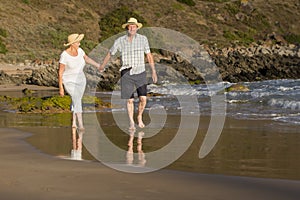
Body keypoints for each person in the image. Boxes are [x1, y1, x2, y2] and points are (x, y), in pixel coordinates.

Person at [99, 17, 158, 130]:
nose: (132, 28)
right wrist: (102, 65)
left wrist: (153, 71)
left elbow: (149, 55)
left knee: (143, 99)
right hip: (126, 71)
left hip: (140, 71)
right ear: (127, 28)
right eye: (130, 26)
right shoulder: (120, 41)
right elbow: (110, 53)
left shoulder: (143, 39)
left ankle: (139, 116)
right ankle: (131, 121)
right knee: (129, 99)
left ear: (137, 28)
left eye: (133, 26)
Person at [58, 33, 102, 157]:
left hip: (80, 79)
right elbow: (60, 73)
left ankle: (74, 121)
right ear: (72, 44)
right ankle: (80, 124)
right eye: (77, 42)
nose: (79, 44)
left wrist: (98, 65)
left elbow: (86, 59)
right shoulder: (64, 55)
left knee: (77, 99)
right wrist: (61, 87)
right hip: (68, 80)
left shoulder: (80, 50)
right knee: (76, 99)